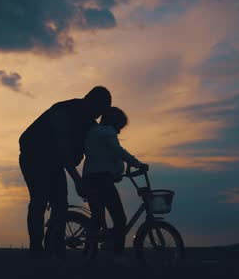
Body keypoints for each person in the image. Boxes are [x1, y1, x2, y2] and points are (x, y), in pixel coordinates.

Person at [18, 86, 112, 257]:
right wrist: (77, 180)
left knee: (60, 203)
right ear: (89, 101)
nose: (97, 116)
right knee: (39, 199)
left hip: (55, 162)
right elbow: (64, 150)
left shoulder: (90, 123)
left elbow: (90, 153)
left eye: (101, 113)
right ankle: (36, 249)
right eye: (98, 111)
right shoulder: (63, 111)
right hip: (33, 157)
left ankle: (55, 246)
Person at [82, 106, 148, 265]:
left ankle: (87, 254)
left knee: (97, 218)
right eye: (119, 127)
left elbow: (102, 156)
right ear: (114, 122)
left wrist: (114, 172)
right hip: (101, 181)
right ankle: (118, 254)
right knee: (120, 218)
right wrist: (138, 164)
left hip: (91, 179)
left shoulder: (95, 132)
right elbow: (118, 151)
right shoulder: (107, 132)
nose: (119, 132)